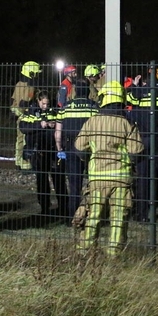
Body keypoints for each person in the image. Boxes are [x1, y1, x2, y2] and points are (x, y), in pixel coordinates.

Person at [74, 80, 143, 255]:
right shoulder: (126, 123)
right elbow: (137, 151)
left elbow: (79, 148)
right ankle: (114, 254)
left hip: (97, 178)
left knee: (93, 216)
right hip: (121, 179)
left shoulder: (92, 122)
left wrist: (91, 159)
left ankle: (84, 251)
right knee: (118, 219)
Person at [127, 65, 158, 222]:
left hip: (144, 138)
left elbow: (128, 98)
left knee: (143, 177)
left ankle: (143, 214)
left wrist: (135, 85)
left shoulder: (139, 92)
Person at [53, 78, 98, 220]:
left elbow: (58, 133)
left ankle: (72, 216)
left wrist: (60, 149)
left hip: (71, 148)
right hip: (89, 149)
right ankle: (93, 215)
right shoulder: (93, 107)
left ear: (75, 91)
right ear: (87, 91)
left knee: (74, 185)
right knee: (93, 184)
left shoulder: (65, 108)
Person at [19, 91, 65, 218]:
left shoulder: (53, 111)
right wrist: (39, 125)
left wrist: (53, 125)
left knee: (58, 178)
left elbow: (60, 125)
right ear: (38, 101)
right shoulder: (30, 112)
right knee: (42, 179)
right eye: (43, 104)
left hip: (52, 150)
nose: (45, 106)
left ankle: (63, 205)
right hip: (38, 152)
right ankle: (45, 207)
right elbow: (23, 127)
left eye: (47, 104)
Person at [10, 61, 41, 171]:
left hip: (23, 115)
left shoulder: (23, 84)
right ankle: (24, 163)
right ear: (31, 73)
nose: (38, 76)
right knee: (24, 140)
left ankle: (19, 161)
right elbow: (22, 103)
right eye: (36, 73)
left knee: (21, 140)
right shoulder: (25, 86)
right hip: (24, 116)